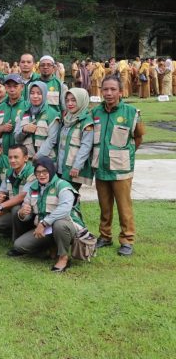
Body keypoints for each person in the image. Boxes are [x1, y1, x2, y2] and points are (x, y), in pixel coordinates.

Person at [92, 75, 145, 256]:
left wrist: (126, 155)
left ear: (120, 92)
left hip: (121, 169)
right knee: (104, 206)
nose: (108, 93)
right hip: (101, 168)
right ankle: (105, 236)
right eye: (105, 89)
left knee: (124, 206)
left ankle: (127, 239)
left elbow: (138, 137)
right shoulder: (95, 112)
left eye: (113, 89)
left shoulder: (131, 112)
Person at [13, 157, 86, 272]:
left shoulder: (62, 186)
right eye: (38, 172)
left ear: (51, 171)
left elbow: (65, 209)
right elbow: (27, 210)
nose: (41, 175)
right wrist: (22, 212)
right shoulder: (33, 187)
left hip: (69, 227)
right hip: (46, 230)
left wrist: (44, 223)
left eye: (45, 171)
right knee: (19, 245)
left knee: (59, 224)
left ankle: (63, 258)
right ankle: (50, 247)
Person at [53, 88, 94, 190]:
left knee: (70, 195)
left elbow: (86, 146)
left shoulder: (86, 121)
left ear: (81, 100)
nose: (69, 103)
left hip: (73, 168)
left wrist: (77, 166)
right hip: (61, 166)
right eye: (67, 100)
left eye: (74, 100)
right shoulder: (66, 118)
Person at [14, 81, 59, 160]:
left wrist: (38, 156)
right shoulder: (22, 113)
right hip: (27, 160)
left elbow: (52, 139)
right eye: (32, 93)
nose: (35, 96)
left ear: (44, 94)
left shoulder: (53, 114)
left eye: (39, 93)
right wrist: (23, 130)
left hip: (46, 160)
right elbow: (16, 138)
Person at [0, 74, 28, 154]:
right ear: (5, 87)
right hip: (3, 154)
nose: (12, 90)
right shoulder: (0, 107)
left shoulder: (27, 106)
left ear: (22, 87)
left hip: (20, 154)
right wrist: (1, 129)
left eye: (15, 86)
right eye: (9, 86)